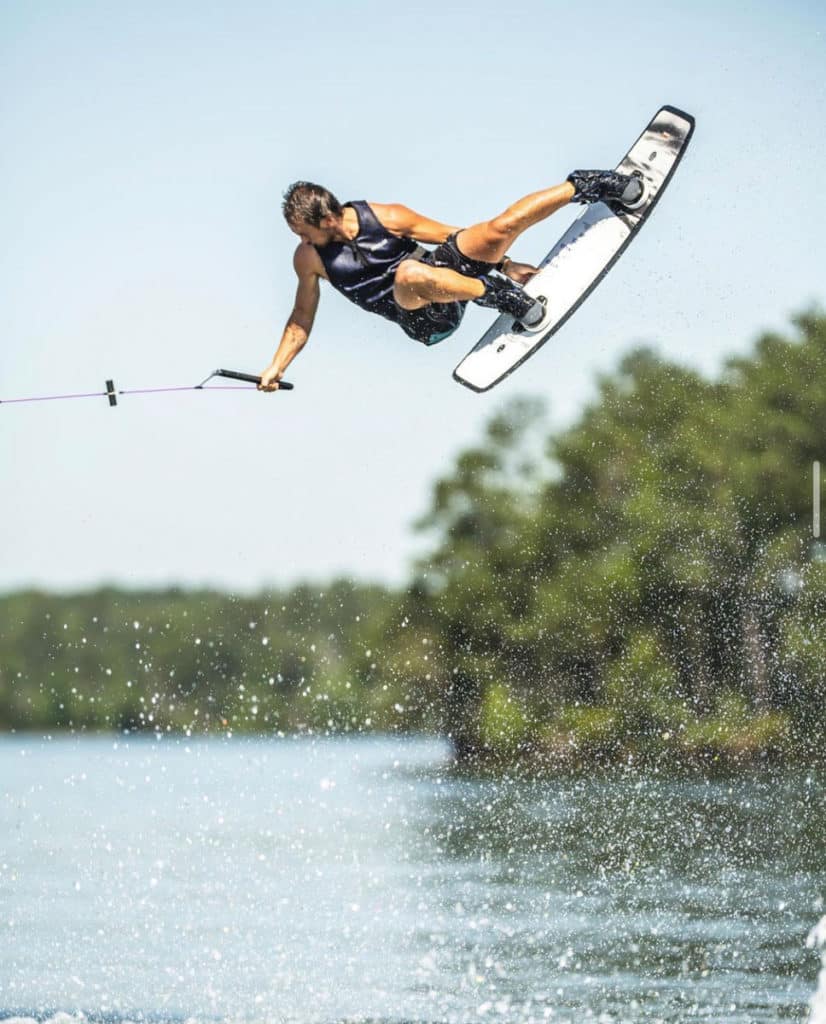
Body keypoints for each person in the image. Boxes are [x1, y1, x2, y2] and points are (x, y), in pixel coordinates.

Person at [258, 170, 643, 390]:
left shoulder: (386, 215)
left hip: (445, 280)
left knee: (497, 228)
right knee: (410, 274)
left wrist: (504, 263)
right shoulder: (309, 258)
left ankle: (591, 185)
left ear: (327, 220)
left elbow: (447, 234)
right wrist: (277, 367)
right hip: (425, 320)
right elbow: (300, 317)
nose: (301, 240)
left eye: (303, 231)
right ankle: (496, 295)